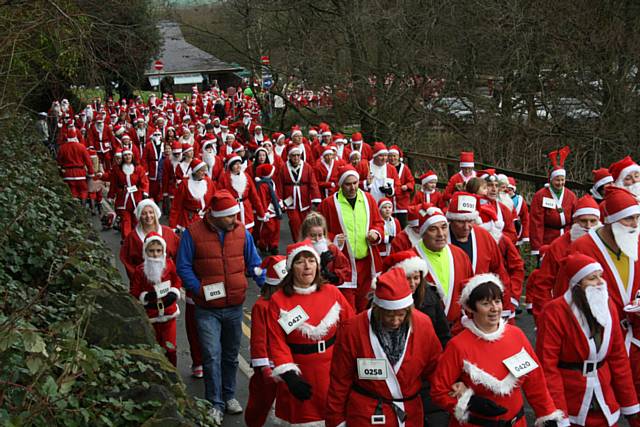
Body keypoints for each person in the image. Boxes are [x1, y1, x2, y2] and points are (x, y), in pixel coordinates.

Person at [176, 190, 265, 425]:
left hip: (235, 305)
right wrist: (199, 289)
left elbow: (254, 263)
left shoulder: (242, 233)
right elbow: (183, 266)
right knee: (211, 355)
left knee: (230, 355)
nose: (235, 220)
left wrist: (268, 283)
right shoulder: (192, 234)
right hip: (207, 309)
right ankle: (214, 402)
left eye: (236, 215)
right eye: (230, 216)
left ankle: (229, 396)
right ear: (215, 216)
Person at [430, 273, 566, 427]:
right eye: (486, 303)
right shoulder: (458, 345)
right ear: (471, 308)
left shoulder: (516, 335)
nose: (494, 308)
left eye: (497, 301)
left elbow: (536, 382)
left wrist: (547, 414)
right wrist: (469, 402)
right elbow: (438, 391)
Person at [326, 267, 442, 427]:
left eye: (401, 314)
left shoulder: (423, 325)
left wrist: (455, 388)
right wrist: (336, 420)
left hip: (410, 415)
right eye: (389, 314)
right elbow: (339, 380)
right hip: (366, 415)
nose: (395, 321)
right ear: (377, 309)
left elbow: (436, 369)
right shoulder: (353, 329)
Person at [536, 254, 640, 427]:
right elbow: (547, 366)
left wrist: (630, 405)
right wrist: (558, 414)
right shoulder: (554, 312)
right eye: (592, 278)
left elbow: (618, 358)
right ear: (577, 285)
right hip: (572, 399)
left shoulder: (608, 306)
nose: (600, 282)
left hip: (604, 396)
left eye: (600, 276)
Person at [268, 240, 355, 426]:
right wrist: (289, 375)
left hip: (332, 373)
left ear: (317, 264)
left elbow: (352, 329)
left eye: (311, 260)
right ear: (291, 267)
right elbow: (277, 342)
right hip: (300, 376)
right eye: (300, 262)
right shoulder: (279, 300)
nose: (307, 266)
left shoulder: (332, 293)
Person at [569, 187, 640, 409]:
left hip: (636, 337)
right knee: (606, 406)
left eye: (638, 217)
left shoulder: (637, 241)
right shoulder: (583, 247)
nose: (635, 224)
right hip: (602, 341)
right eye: (629, 219)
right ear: (611, 221)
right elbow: (570, 297)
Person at [319, 165, 386, 312]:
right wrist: (334, 240)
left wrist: (376, 233)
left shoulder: (368, 199)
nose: (352, 187)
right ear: (341, 185)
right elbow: (319, 231)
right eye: (348, 184)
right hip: (344, 264)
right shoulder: (329, 204)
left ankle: (363, 332)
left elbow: (378, 223)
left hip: (366, 263)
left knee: (364, 304)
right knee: (347, 307)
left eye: (355, 183)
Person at [528, 195, 601, 318]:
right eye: (583, 221)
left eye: (593, 221)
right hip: (566, 310)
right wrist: (544, 316)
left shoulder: (605, 244)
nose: (588, 226)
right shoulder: (558, 246)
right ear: (575, 221)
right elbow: (543, 284)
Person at [446, 192, 513, 319]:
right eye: (461, 222)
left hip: (482, 308)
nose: (466, 227)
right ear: (451, 219)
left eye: (470, 221)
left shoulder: (484, 237)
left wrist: (505, 305)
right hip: (450, 306)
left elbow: (499, 271)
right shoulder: (441, 240)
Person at [412, 205, 473, 331]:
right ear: (423, 233)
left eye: (444, 227)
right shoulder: (411, 260)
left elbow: (470, 292)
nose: (441, 234)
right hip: (425, 331)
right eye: (433, 229)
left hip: (457, 329)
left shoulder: (459, 255)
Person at [244, 255, 287, 427]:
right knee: (260, 402)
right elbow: (258, 340)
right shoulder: (262, 306)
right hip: (268, 365)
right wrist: (264, 367)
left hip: (286, 362)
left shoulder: (291, 302)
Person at [130, 233, 182, 366]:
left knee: (170, 347)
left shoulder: (169, 265)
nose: (155, 254)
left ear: (163, 251)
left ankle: (172, 372)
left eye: (158, 251)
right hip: (150, 315)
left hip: (169, 313)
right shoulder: (140, 270)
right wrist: (146, 296)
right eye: (151, 251)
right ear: (145, 251)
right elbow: (134, 291)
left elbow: (177, 281)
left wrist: (174, 293)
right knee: (154, 348)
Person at [530, 146, 578, 257]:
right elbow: (536, 223)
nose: (560, 183)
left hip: (566, 237)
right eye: (557, 180)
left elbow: (575, 218)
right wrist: (537, 247)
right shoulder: (540, 196)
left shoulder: (571, 196)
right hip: (548, 238)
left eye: (562, 180)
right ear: (551, 179)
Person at [299, 211, 353, 306]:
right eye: (312, 235)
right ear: (305, 235)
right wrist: (320, 267)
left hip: (328, 294)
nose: (317, 239)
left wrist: (333, 276)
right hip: (307, 296)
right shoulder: (299, 252)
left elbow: (345, 268)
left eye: (320, 235)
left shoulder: (331, 249)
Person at [119, 199, 180, 282]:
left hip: (168, 281)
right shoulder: (132, 237)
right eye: (144, 213)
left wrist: (175, 274)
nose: (148, 216)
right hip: (144, 283)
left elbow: (179, 255)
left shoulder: (168, 232)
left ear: (155, 213)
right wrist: (137, 277)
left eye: (151, 212)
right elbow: (126, 260)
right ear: (139, 216)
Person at [277, 146, 322, 242]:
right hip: (290, 201)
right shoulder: (284, 168)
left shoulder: (307, 167)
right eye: (294, 155)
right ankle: (298, 242)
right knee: (294, 223)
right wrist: (280, 201)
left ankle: (306, 241)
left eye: (298, 155)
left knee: (305, 222)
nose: (296, 158)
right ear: (289, 156)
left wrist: (316, 199)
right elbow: (279, 185)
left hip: (304, 200)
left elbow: (313, 183)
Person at [106, 149, 149, 240]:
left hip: (136, 198)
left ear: (132, 156)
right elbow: (114, 184)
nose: (127, 157)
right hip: (123, 199)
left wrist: (145, 192)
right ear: (123, 157)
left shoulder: (139, 168)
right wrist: (111, 195)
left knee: (136, 220)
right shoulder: (117, 170)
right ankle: (127, 240)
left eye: (129, 155)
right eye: (125, 155)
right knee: (125, 221)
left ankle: (137, 239)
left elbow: (144, 182)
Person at [218, 153, 266, 232]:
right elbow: (220, 197)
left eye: (239, 164)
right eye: (236, 164)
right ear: (230, 166)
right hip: (232, 210)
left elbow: (254, 196)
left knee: (248, 233)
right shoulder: (224, 178)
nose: (238, 166)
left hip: (246, 210)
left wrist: (261, 213)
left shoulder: (246, 176)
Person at [169, 159, 217, 231]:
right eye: (201, 170)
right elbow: (176, 205)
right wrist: (173, 225)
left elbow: (215, 199)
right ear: (195, 171)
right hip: (189, 219)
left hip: (207, 218)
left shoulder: (208, 182)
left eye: (204, 170)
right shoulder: (185, 184)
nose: (204, 172)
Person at [56, 128, 95, 206]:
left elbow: (59, 161)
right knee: (83, 190)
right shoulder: (81, 147)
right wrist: (91, 172)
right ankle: (83, 205)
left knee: (72, 191)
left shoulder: (62, 148)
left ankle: (74, 207)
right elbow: (88, 161)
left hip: (68, 174)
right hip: (80, 173)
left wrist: (60, 170)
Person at [388, 145, 415, 228]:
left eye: (394, 156)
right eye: (390, 156)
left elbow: (411, 181)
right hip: (390, 202)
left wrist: (407, 186)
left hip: (402, 202)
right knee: (391, 225)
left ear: (398, 157)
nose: (392, 158)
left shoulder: (405, 168)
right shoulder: (386, 168)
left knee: (403, 225)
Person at [506, 177, 530, 245]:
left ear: (513, 190)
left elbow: (525, 218)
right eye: (506, 190)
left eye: (510, 190)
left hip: (516, 231)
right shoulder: (500, 198)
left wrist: (525, 235)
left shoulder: (520, 201)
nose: (508, 192)